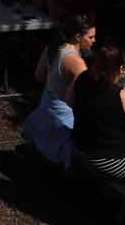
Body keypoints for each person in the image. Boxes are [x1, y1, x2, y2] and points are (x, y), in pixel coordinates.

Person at [71, 45, 125, 184]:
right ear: (120, 69)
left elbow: (69, 100)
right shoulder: (120, 96)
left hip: (83, 144)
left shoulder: (83, 77)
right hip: (107, 159)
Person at [22, 13, 94, 168]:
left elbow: (39, 76)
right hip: (62, 117)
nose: (94, 41)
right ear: (77, 37)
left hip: (45, 107)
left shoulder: (53, 47)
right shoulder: (77, 63)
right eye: (90, 37)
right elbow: (82, 97)